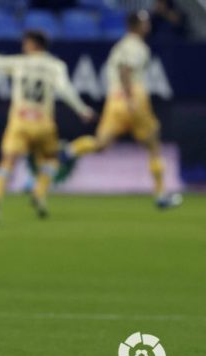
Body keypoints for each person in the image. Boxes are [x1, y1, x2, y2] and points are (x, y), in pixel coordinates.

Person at [0, 30, 94, 224]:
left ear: (34, 44)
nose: (23, 46)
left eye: (26, 43)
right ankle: (39, 194)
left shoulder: (19, 63)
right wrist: (82, 109)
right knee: (50, 159)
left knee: (7, 161)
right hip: (43, 123)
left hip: (20, 121)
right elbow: (65, 89)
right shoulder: (55, 66)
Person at [61, 11, 182, 209]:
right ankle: (161, 195)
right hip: (133, 97)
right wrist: (131, 97)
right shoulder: (136, 46)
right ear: (137, 25)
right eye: (145, 23)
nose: (148, 26)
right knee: (153, 144)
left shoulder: (120, 45)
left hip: (114, 100)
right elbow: (125, 69)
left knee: (101, 143)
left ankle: (70, 151)